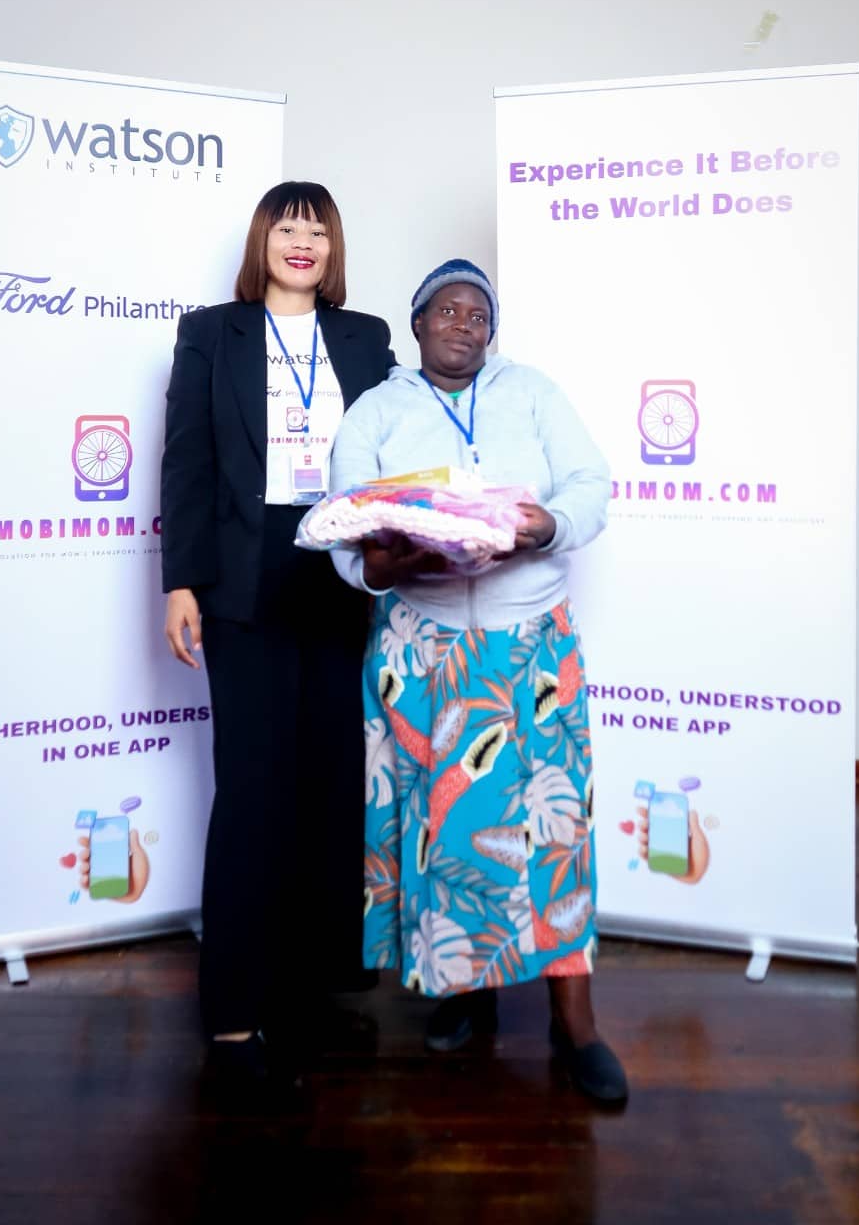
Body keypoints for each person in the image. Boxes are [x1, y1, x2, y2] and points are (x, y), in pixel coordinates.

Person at [329, 259, 628, 1103]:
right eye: (447, 310)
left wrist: (545, 526)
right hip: (421, 650)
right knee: (446, 828)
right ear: (417, 323)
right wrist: (381, 564)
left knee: (553, 830)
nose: (464, 324)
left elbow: (590, 484)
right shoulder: (377, 410)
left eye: (478, 314)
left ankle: (576, 1025)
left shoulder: (531, 393)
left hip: (528, 645)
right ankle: (463, 988)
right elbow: (346, 524)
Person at [160, 181, 394, 1078]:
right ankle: (232, 1012)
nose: (303, 242)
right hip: (244, 583)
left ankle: (316, 978)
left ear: (333, 249)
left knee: (331, 787)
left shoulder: (364, 337)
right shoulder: (209, 333)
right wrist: (181, 582)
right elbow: (187, 460)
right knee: (253, 792)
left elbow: (394, 451)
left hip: (339, 580)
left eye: (318, 230)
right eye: (287, 227)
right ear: (262, 240)